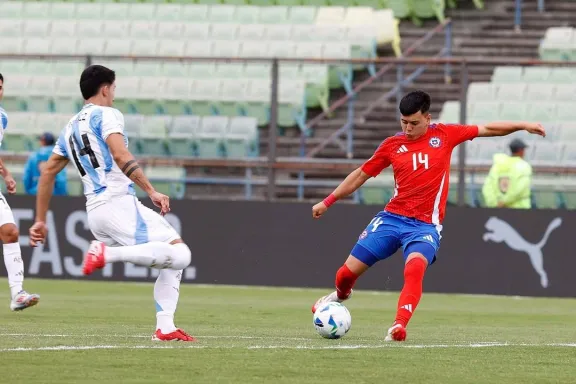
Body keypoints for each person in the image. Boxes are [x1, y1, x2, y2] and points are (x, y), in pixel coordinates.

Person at [310, 91, 545, 341]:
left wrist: (524, 125)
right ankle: (341, 294)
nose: (408, 128)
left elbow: (487, 128)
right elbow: (360, 175)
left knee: (415, 267)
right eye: (404, 122)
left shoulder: (444, 135)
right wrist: (328, 201)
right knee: (345, 275)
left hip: (424, 226)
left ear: (427, 118)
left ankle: (398, 326)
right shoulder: (392, 145)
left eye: (414, 123)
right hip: (391, 218)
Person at [28, 65, 195, 342]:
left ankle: (165, 327)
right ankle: (105, 254)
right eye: (114, 88)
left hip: (96, 211)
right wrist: (151, 190)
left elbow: (47, 171)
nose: (114, 95)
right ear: (105, 88)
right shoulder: (107, 114)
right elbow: (119, 153)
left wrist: (40, 220)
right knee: (183, 256)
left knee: (174, 254)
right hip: (117, 204)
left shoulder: (69, 127)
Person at [0, 73, 41, 311]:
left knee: (11, 231)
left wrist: (6, 174)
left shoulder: (2, 117)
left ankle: (17, 294)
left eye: (1, 87)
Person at [481, 138, 532, 209]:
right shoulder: (524, 166)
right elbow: (520, 188)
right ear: (521, 150)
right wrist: (505, 201)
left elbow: (487, 187)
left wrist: (494, 204)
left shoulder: (497, 165)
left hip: (496, 210)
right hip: (519, 210)